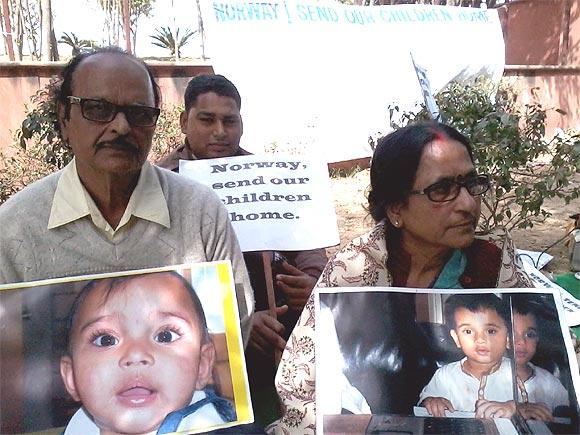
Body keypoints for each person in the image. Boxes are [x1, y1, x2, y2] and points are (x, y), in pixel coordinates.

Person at [269, 122, 532, 433]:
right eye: (441, 190)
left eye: (470, 184)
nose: (467, 204)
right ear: (396, 208)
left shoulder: (492, 258)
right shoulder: (356, 268)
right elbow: (301, 383)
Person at [0, 48, 253, 343]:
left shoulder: (201, 211)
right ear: (65, 118)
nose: (121, 126)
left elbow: (236, 323)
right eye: (97, 108)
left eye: (139, 114)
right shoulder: (14, 228)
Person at [157, 74, 327, 423]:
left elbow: (309, 244)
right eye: (207, 119)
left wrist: (309, 283)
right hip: (201, 338)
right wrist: (240, 325)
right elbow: (160, 278)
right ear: (184, 122)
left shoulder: (267, 176)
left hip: (283, 328)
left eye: (229, 120)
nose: (220, 131)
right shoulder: (159, 184)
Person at [60, 271, 236, 435]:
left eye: (165, 336)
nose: (136, 355)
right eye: (106, 340)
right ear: (71, 378)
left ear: (202, 365)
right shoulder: (80, 427)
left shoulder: (213, 426)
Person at [419, 294, 515, 419]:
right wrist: (431, 401)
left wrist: (515, 407)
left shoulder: (518, 373)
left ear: (508, 337)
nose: (480, 339)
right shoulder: (445, 376)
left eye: (491, 331)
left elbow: (538, 412)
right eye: (468, 331)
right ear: (456, 338)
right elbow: (424, 404)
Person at [512, 297, 570, 421]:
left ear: (538, 339)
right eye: (512, 333)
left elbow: (567, 415)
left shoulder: (549, 382)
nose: (521, 342)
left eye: (530, 335)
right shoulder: (487, 377)